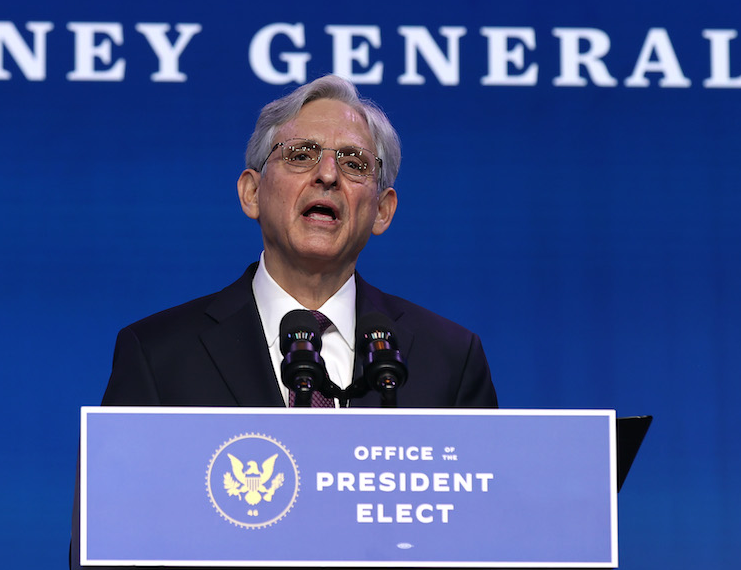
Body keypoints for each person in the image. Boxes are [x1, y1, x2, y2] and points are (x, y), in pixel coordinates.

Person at [100, 75, 498, 409]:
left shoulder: (449, 360)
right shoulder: (159, 355)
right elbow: (114, 503)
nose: (327, 175)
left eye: (354, 163)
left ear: (382, 210)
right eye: (301, 155)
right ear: (252, 193)